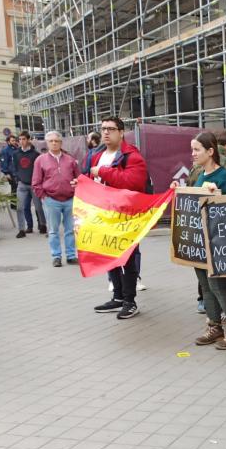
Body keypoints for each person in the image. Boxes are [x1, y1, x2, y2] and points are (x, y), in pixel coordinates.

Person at [175, 131, 226, 350]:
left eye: (197, 149)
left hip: (216, 241)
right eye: (192, 149)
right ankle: (215, 326)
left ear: (210, 151)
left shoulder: (224, 176)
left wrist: (218, 194)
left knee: (218, 286)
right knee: (206, 287)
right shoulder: (200, 175)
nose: (193, 154)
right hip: (200, 240)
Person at [89, 117, 150, 320]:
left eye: (111, 129)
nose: (106, 132)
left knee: (128, 258)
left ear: (121, 132)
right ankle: (117, 297)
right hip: (104, 215)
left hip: (126, 215)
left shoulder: (131, 155)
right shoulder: (97, 156)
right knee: (109, 257)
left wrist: (104, 172)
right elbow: (94, 181)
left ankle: (130, 301)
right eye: (103, 128)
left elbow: (134, 182)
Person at [32, 130, 80, 267]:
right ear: (47, 143)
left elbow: (79, 178)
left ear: (61, 142)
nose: (54, 143)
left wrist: (76, 191)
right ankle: (56, 256)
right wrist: (44, 197)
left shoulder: (70, 160)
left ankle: (71, 256)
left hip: (70, 199)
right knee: (53, 230)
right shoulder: (40, 160)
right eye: (51, 141)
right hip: (51, 200)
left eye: (56, 140)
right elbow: (36, 182)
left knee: (70, 229)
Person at [12, 131, 45, 237]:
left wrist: (38, 182)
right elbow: (15, 167)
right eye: (20, 139)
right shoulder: (16, 154)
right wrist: (17, 177)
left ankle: (43, 224)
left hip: (34, 185)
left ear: (28, 139)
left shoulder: (36, 154)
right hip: (22, 184)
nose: (21, 141)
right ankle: (21, 229)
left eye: (24, 139)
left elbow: (40, 169)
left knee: (38, 207)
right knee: (20, 207)